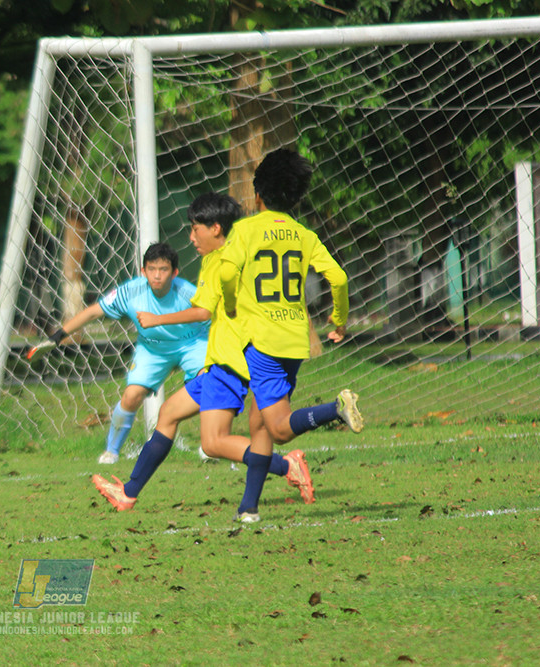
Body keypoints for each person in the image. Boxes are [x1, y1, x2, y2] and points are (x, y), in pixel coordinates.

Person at [91, 193, 313, 511]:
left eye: (195, 229)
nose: (191, 237)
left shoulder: (226, 259)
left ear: (216, 229)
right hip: (219, 361)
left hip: (229, 363)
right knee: (168, 414)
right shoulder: (224, 257)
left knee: (213, 443)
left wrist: (158, 319)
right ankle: (128, 493)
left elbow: (202, 312)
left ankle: (285, 466)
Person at [219, 148, 363, 523]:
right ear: (296, 197)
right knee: (258, 422)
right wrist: (339, 320)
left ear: (257, 196)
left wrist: (232, 304)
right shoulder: (304, 234)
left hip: (262, 343)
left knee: (279, 429)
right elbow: (339, 278)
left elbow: (226, 274)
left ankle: (335, 410)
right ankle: (248, 507)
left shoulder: (245, 230)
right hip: (294, 341)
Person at [27, 242, 208, 465]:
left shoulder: (188, 293)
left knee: (208, 382)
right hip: (152, 349)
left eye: (163, 270)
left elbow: (210, 315)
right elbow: (94, 312)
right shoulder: (131, 291)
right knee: (131, 396)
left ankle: (210, 443)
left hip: (191, 343)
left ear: (175, 272)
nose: (157, 276)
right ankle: (111, 451)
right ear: (143, 271)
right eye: (151, 269)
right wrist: (57, 336)